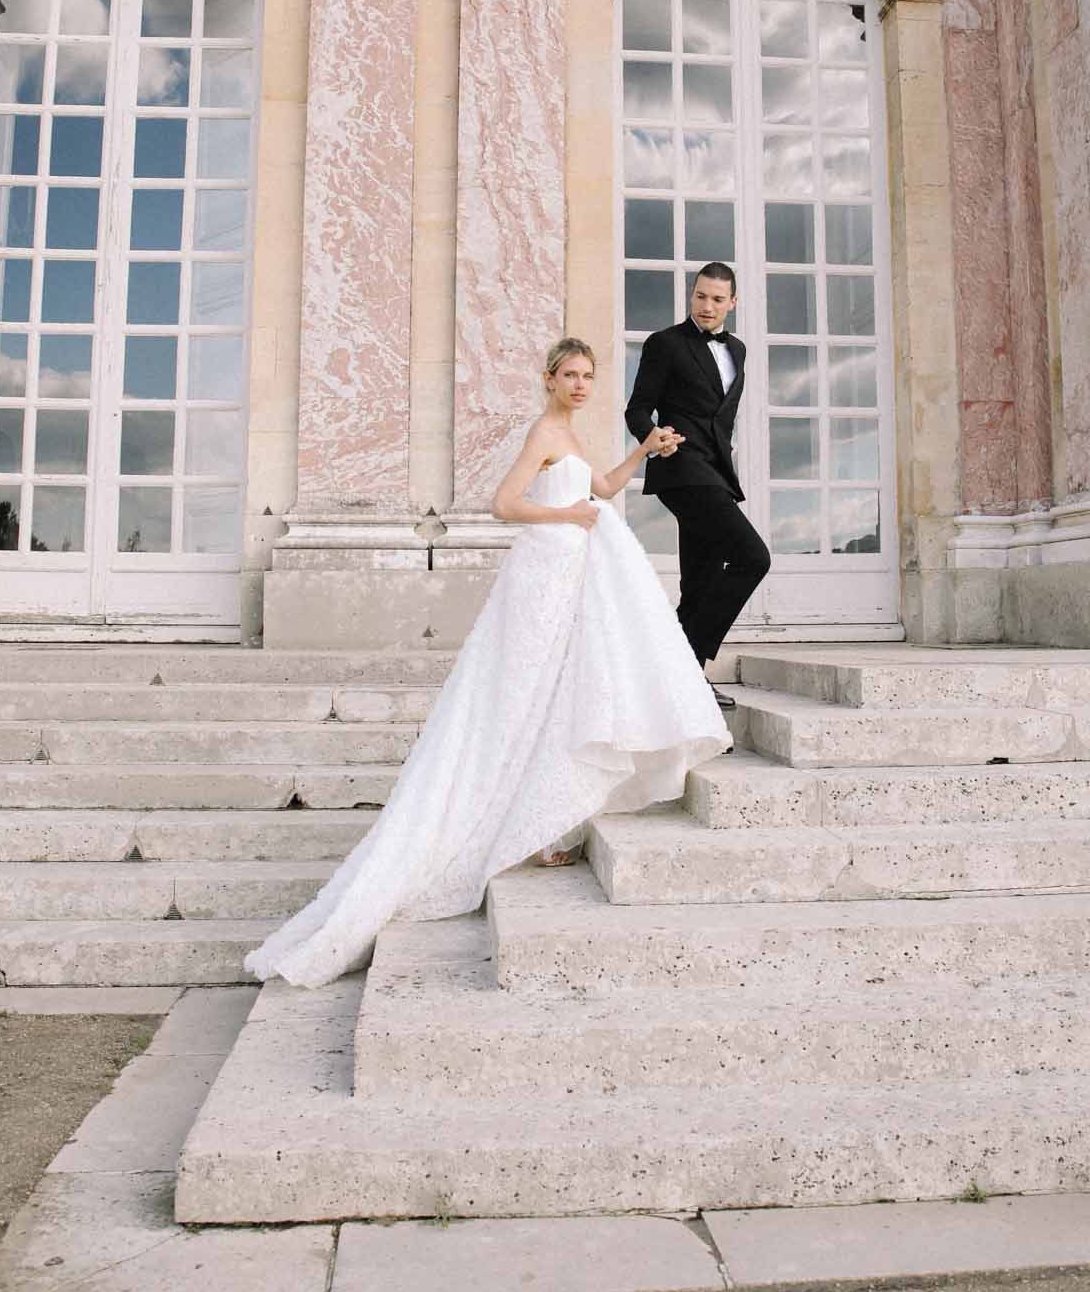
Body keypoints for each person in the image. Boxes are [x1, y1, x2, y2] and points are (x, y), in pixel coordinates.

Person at [245, 337, 730, 990]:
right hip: (544, 571)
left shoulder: (572, 433)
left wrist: (643, 451)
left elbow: (605, 490)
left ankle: (537, 825)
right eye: (571, 375)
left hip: (571, 570)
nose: (582, 384)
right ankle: (504, 825)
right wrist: (564, 514)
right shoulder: (542, 431)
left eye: (589, 375)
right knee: (520, 699)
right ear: (549, 378)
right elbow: (505, 506)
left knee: (558, 696)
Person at [624, 262, 771, 711]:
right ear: (692, 296)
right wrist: (654, 440)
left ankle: (682, 682)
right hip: (681, 467)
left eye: (717, 299)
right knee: (752, 557)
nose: (707, 306)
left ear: (733, 303)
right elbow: (637, 409)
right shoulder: (665, 344)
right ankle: (684, 660)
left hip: (716, 471)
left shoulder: (739, 351)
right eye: (700, 296)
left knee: (701, 580)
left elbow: (720, 418)